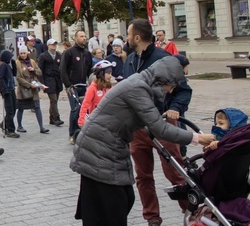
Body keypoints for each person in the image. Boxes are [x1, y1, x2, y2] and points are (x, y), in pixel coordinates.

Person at [70, 57, 215, 226]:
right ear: (164, 80)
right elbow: (160, 128)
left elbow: (146, 119)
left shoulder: (141, 85)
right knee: (111, 204)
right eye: (171, 86)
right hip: (99, 147)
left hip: (109, 145)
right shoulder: (137, 88)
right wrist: (196, 138)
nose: (170, 91)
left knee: (122, 198)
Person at [124, 18, 192, 226]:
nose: (126, 38)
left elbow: (183, 90)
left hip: (161, 125)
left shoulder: (163, 58)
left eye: (128, 34)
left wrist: (175, 109)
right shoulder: (130, 60)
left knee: (176, 174)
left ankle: (191, 213)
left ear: (137, 37)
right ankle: (152, 218)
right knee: (143, 177)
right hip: (137, 128)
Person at [60, 31, 92, 144]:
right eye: (81, 36)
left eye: (85, 36)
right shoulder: (69, 52)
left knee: (84, 109)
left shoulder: (87, 53)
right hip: (72, 86)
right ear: (75, 38)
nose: (84, 38)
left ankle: (81, 132)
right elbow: (62, 70)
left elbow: (90, 70)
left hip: (83, 86)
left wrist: (91, 82)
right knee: (75, 109)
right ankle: (72, 134)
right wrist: (68, 85)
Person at [14, 45, 49, 134]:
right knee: (21, 108)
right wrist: (29, 85)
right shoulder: (17, 63)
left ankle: (41, 127)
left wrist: (33, 70)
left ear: (27, 53)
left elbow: (40, 72)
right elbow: (18, 78)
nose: (22, 55)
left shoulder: (32, 61)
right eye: (21, 53)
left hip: (34, 88)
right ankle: (19, 126)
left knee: (37, 107)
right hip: (23, 89)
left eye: (24, 53)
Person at [78, 60, 115, 128]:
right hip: (95, 120)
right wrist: (81, 119)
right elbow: (85, 104)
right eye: (108, 73)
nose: (110, 76)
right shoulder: (92, 88)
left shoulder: (108, 87)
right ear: (101, 74)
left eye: (111, 73)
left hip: (107, 119)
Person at [0, 50, 18, 137]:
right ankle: (10, 130)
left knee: (14, 108)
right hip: (7, 91)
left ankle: (4, 123)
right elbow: (1, 78)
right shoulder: (3, 66)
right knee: (9, 110)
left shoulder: (8, 66)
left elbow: (14, 74)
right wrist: (4, 90)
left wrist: (14, 64)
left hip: (11, 89)